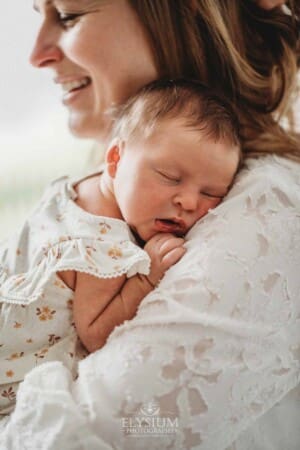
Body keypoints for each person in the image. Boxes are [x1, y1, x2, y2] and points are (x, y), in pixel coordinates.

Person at [0, 0, 299, 449]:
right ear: (118, 160)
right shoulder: (101, 200)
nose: (36, 54)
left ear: (181, 15)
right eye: (169, 176)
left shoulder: (264, 214)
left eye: (68, 15)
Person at [0, 78, 241, 415]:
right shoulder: (102, 248)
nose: (187, 200)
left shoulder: (79, 188)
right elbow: (96, 333)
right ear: (115, 159)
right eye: (170, 176)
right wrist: (146, 280)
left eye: (211, 193)